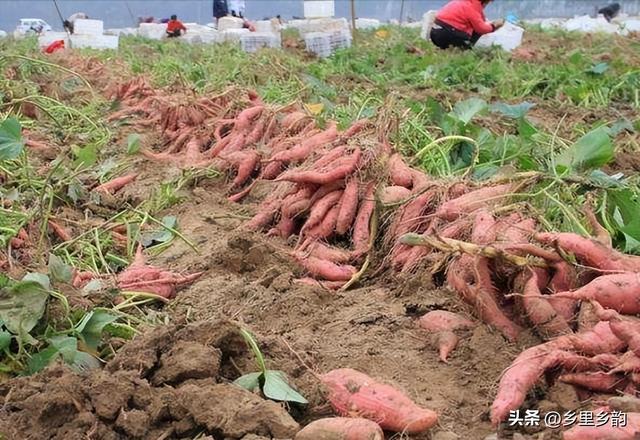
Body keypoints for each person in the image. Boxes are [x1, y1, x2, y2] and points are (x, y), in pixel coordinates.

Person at [430, 0, 504, 50]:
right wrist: (494, 26)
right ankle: (464, 48)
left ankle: (445, 48)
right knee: (477, 31)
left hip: (435, 34)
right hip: (447, 34)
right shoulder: (471, 7)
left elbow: (480, 18)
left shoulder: (462, 2)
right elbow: (481, 28)